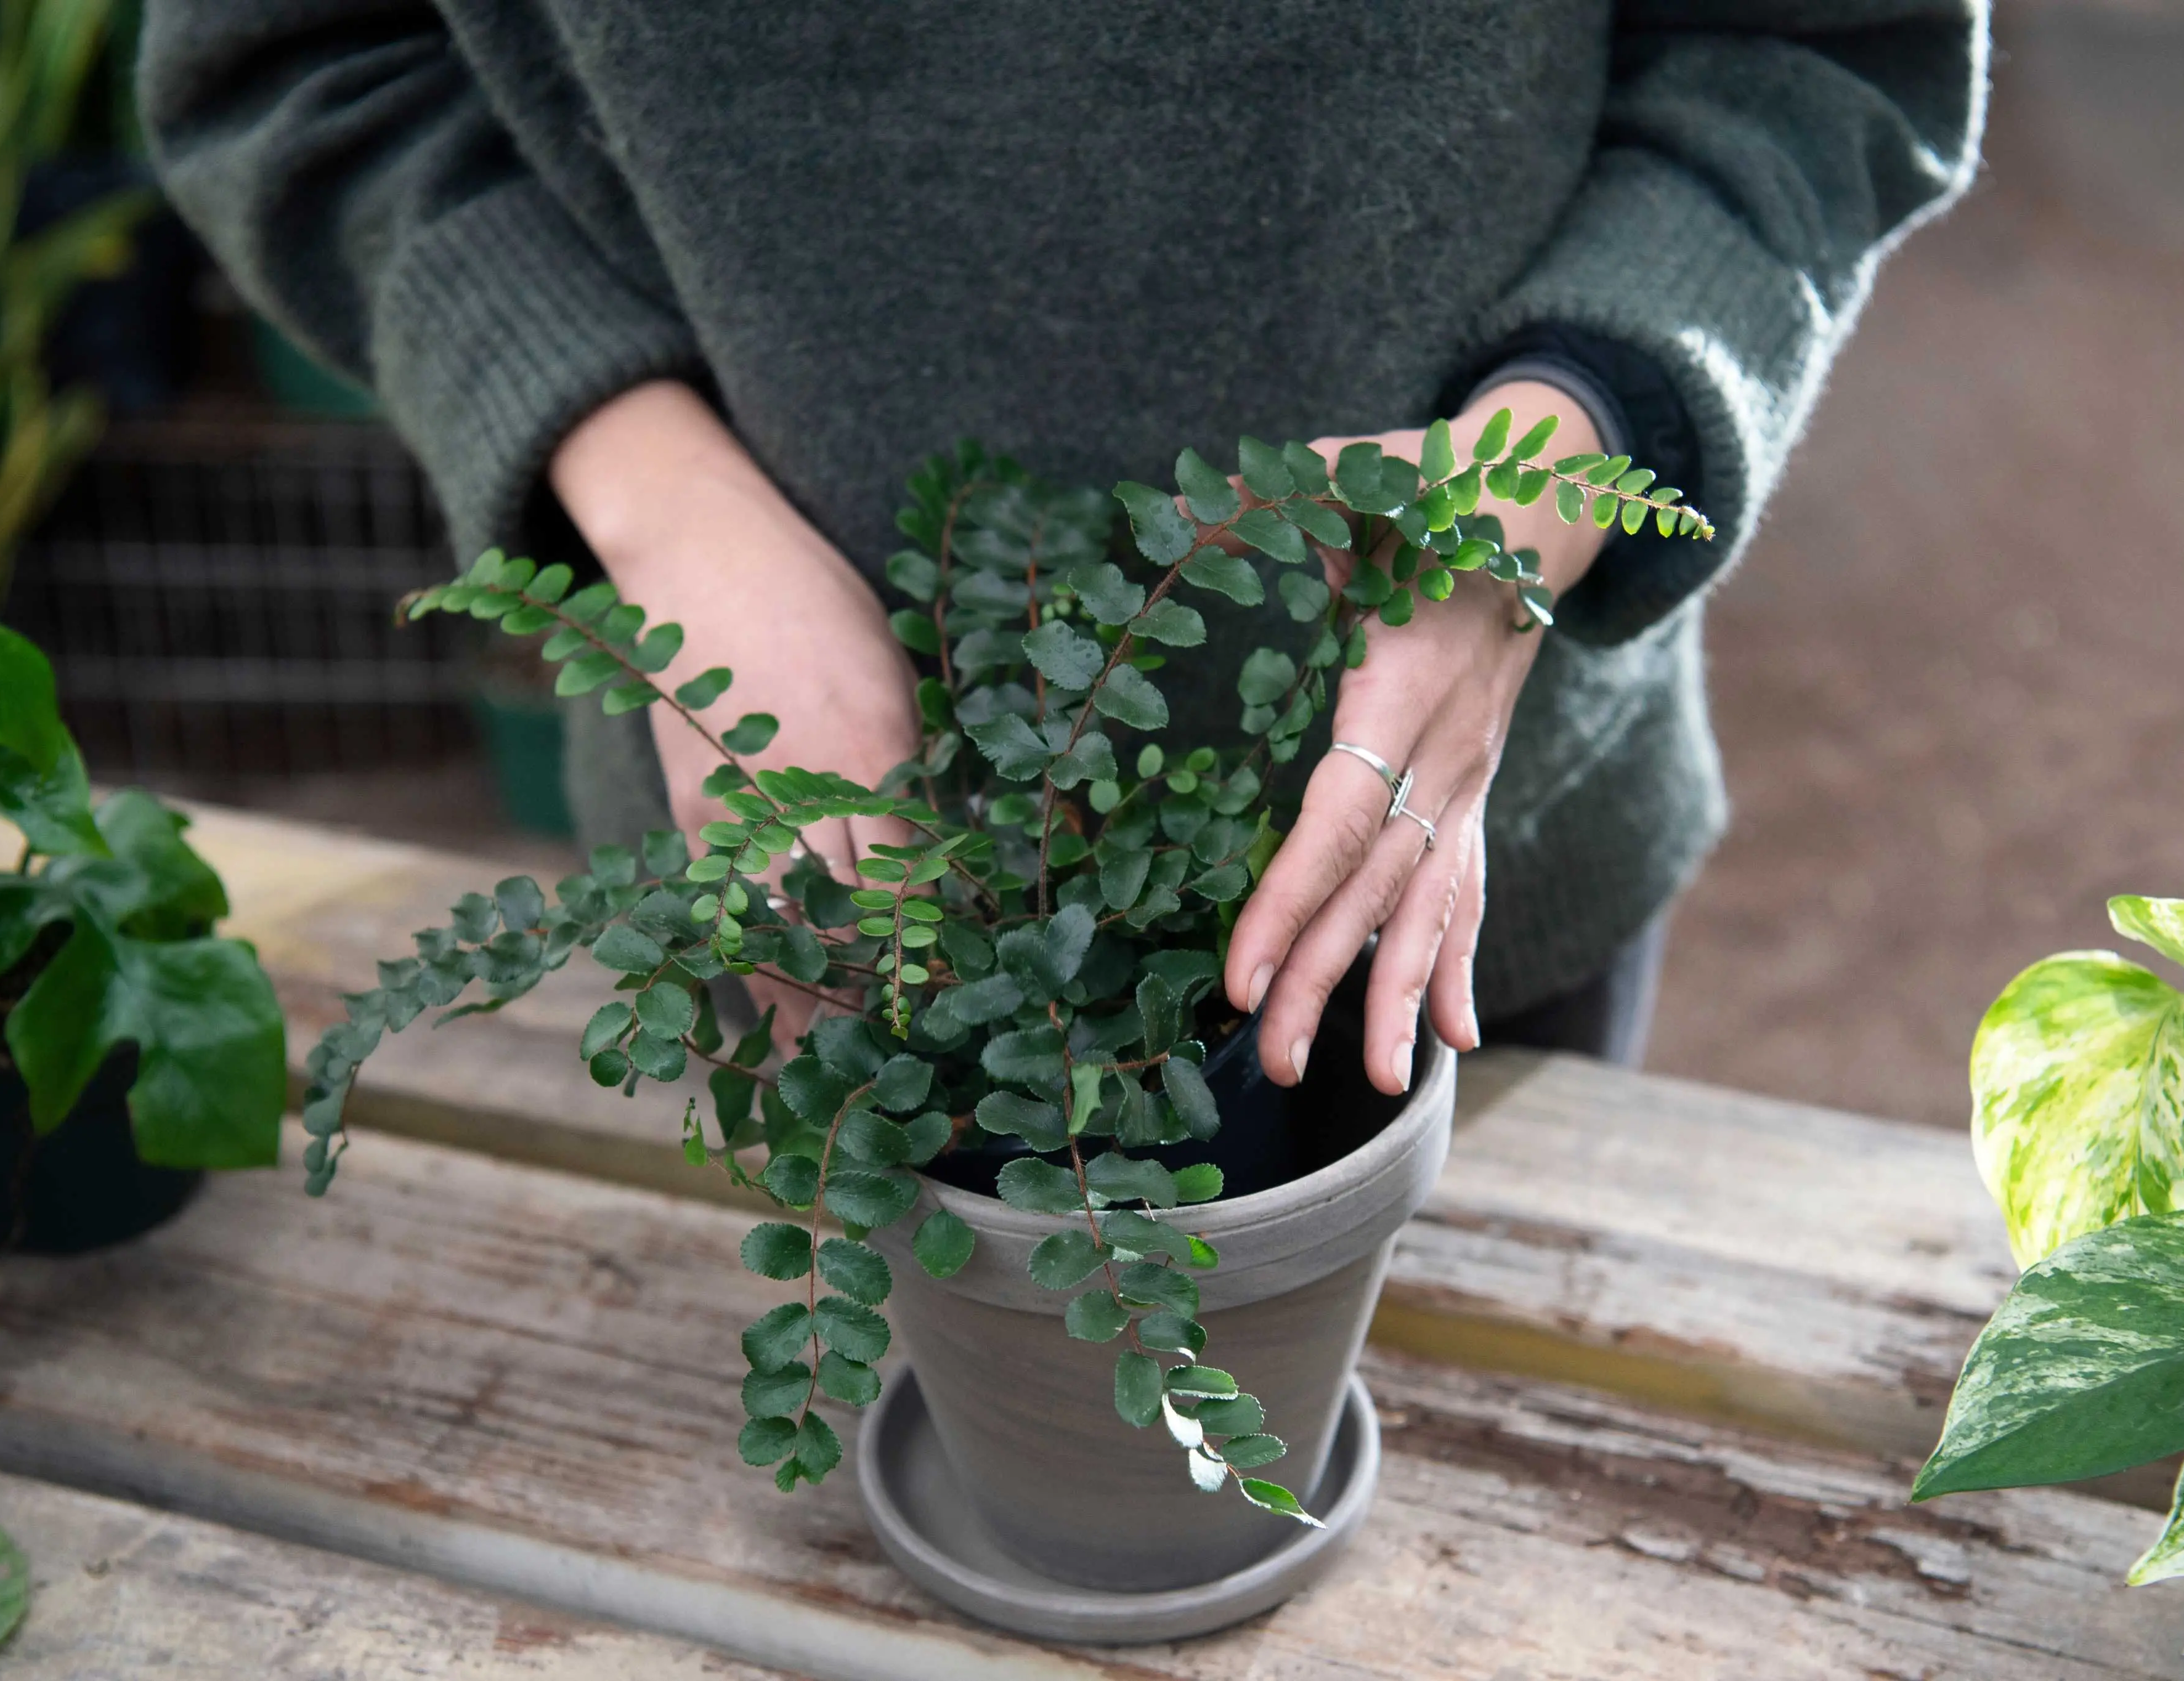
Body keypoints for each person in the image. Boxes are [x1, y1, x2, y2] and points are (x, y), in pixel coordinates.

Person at [139, 3, 1985, 1095]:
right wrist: (661, 504)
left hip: (1454, 877)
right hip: (814, 902)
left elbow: (1813, 49)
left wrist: (1552, 471)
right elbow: (303, 63)